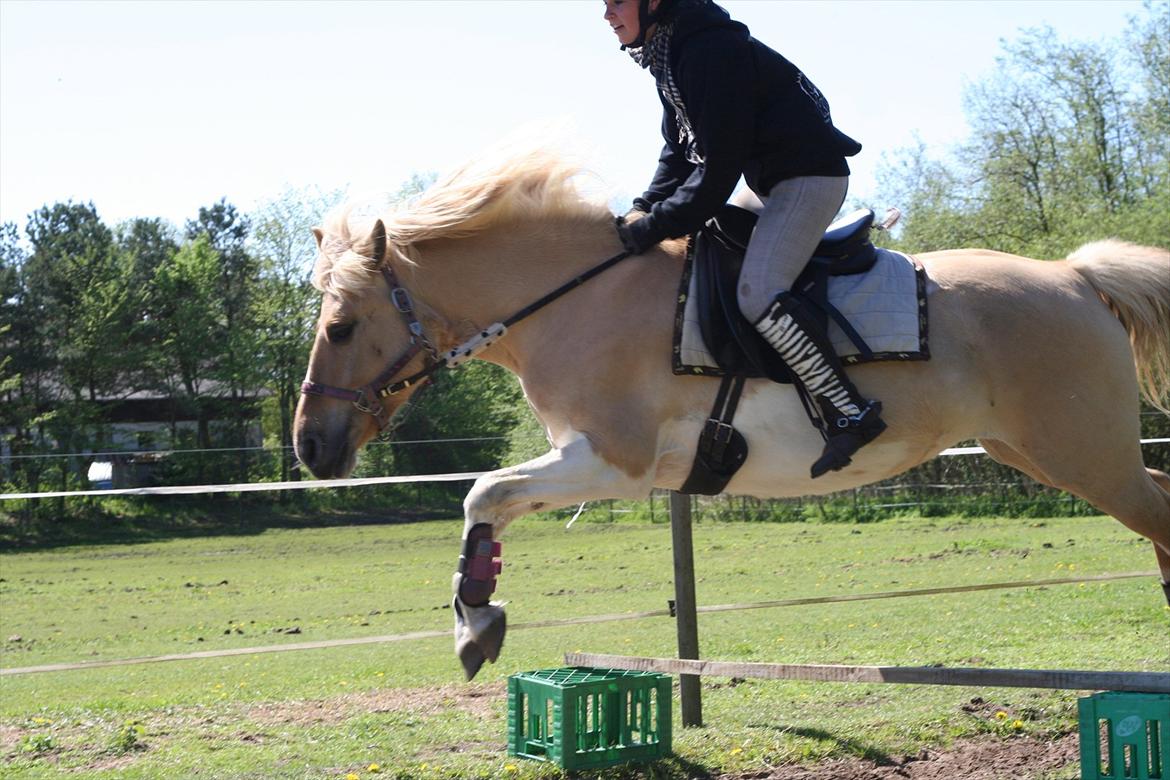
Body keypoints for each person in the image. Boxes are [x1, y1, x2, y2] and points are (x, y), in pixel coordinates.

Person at [603, 0, 886, 478]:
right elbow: (679, 152)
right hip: (770, 183)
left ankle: (849, 410)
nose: (607, 14)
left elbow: (715, 175)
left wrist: (650, 228)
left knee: (758, 292)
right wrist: (642, 208)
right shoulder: (670, 52)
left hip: (808, 178)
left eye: (616, 1)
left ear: (654, 2)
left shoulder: (708, 50)